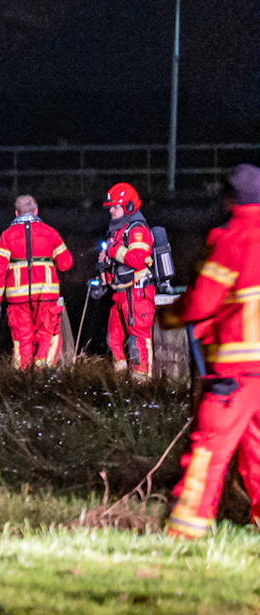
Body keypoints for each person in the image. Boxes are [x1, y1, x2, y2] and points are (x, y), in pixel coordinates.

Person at [164, 165, 260, 538]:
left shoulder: (231, 237)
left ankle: (187, 531)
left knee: (209, 449)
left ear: (230, 198)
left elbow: (202, 303)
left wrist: (171, 315)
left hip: (237, 371)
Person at [0, 194, 73, 368]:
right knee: (48, 336)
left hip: (18, 298)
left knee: (22, 339)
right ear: (36, 211)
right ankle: (45, 375)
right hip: (46, 295)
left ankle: (23, 380)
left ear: (16, 213)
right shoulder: (50, 233)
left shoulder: (7, 236)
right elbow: (66, 263)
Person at [97, 181, 157, 373]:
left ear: (129, 207)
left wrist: (113, 250)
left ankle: (141, 383)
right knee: (113, 339)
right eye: (110, 208)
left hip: (137, 292)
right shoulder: (117, 230)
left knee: (137, 339)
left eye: (115, 207)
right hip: (119, 292)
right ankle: (121, 379)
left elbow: (137, 259)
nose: (111, 212)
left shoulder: (137, 230)